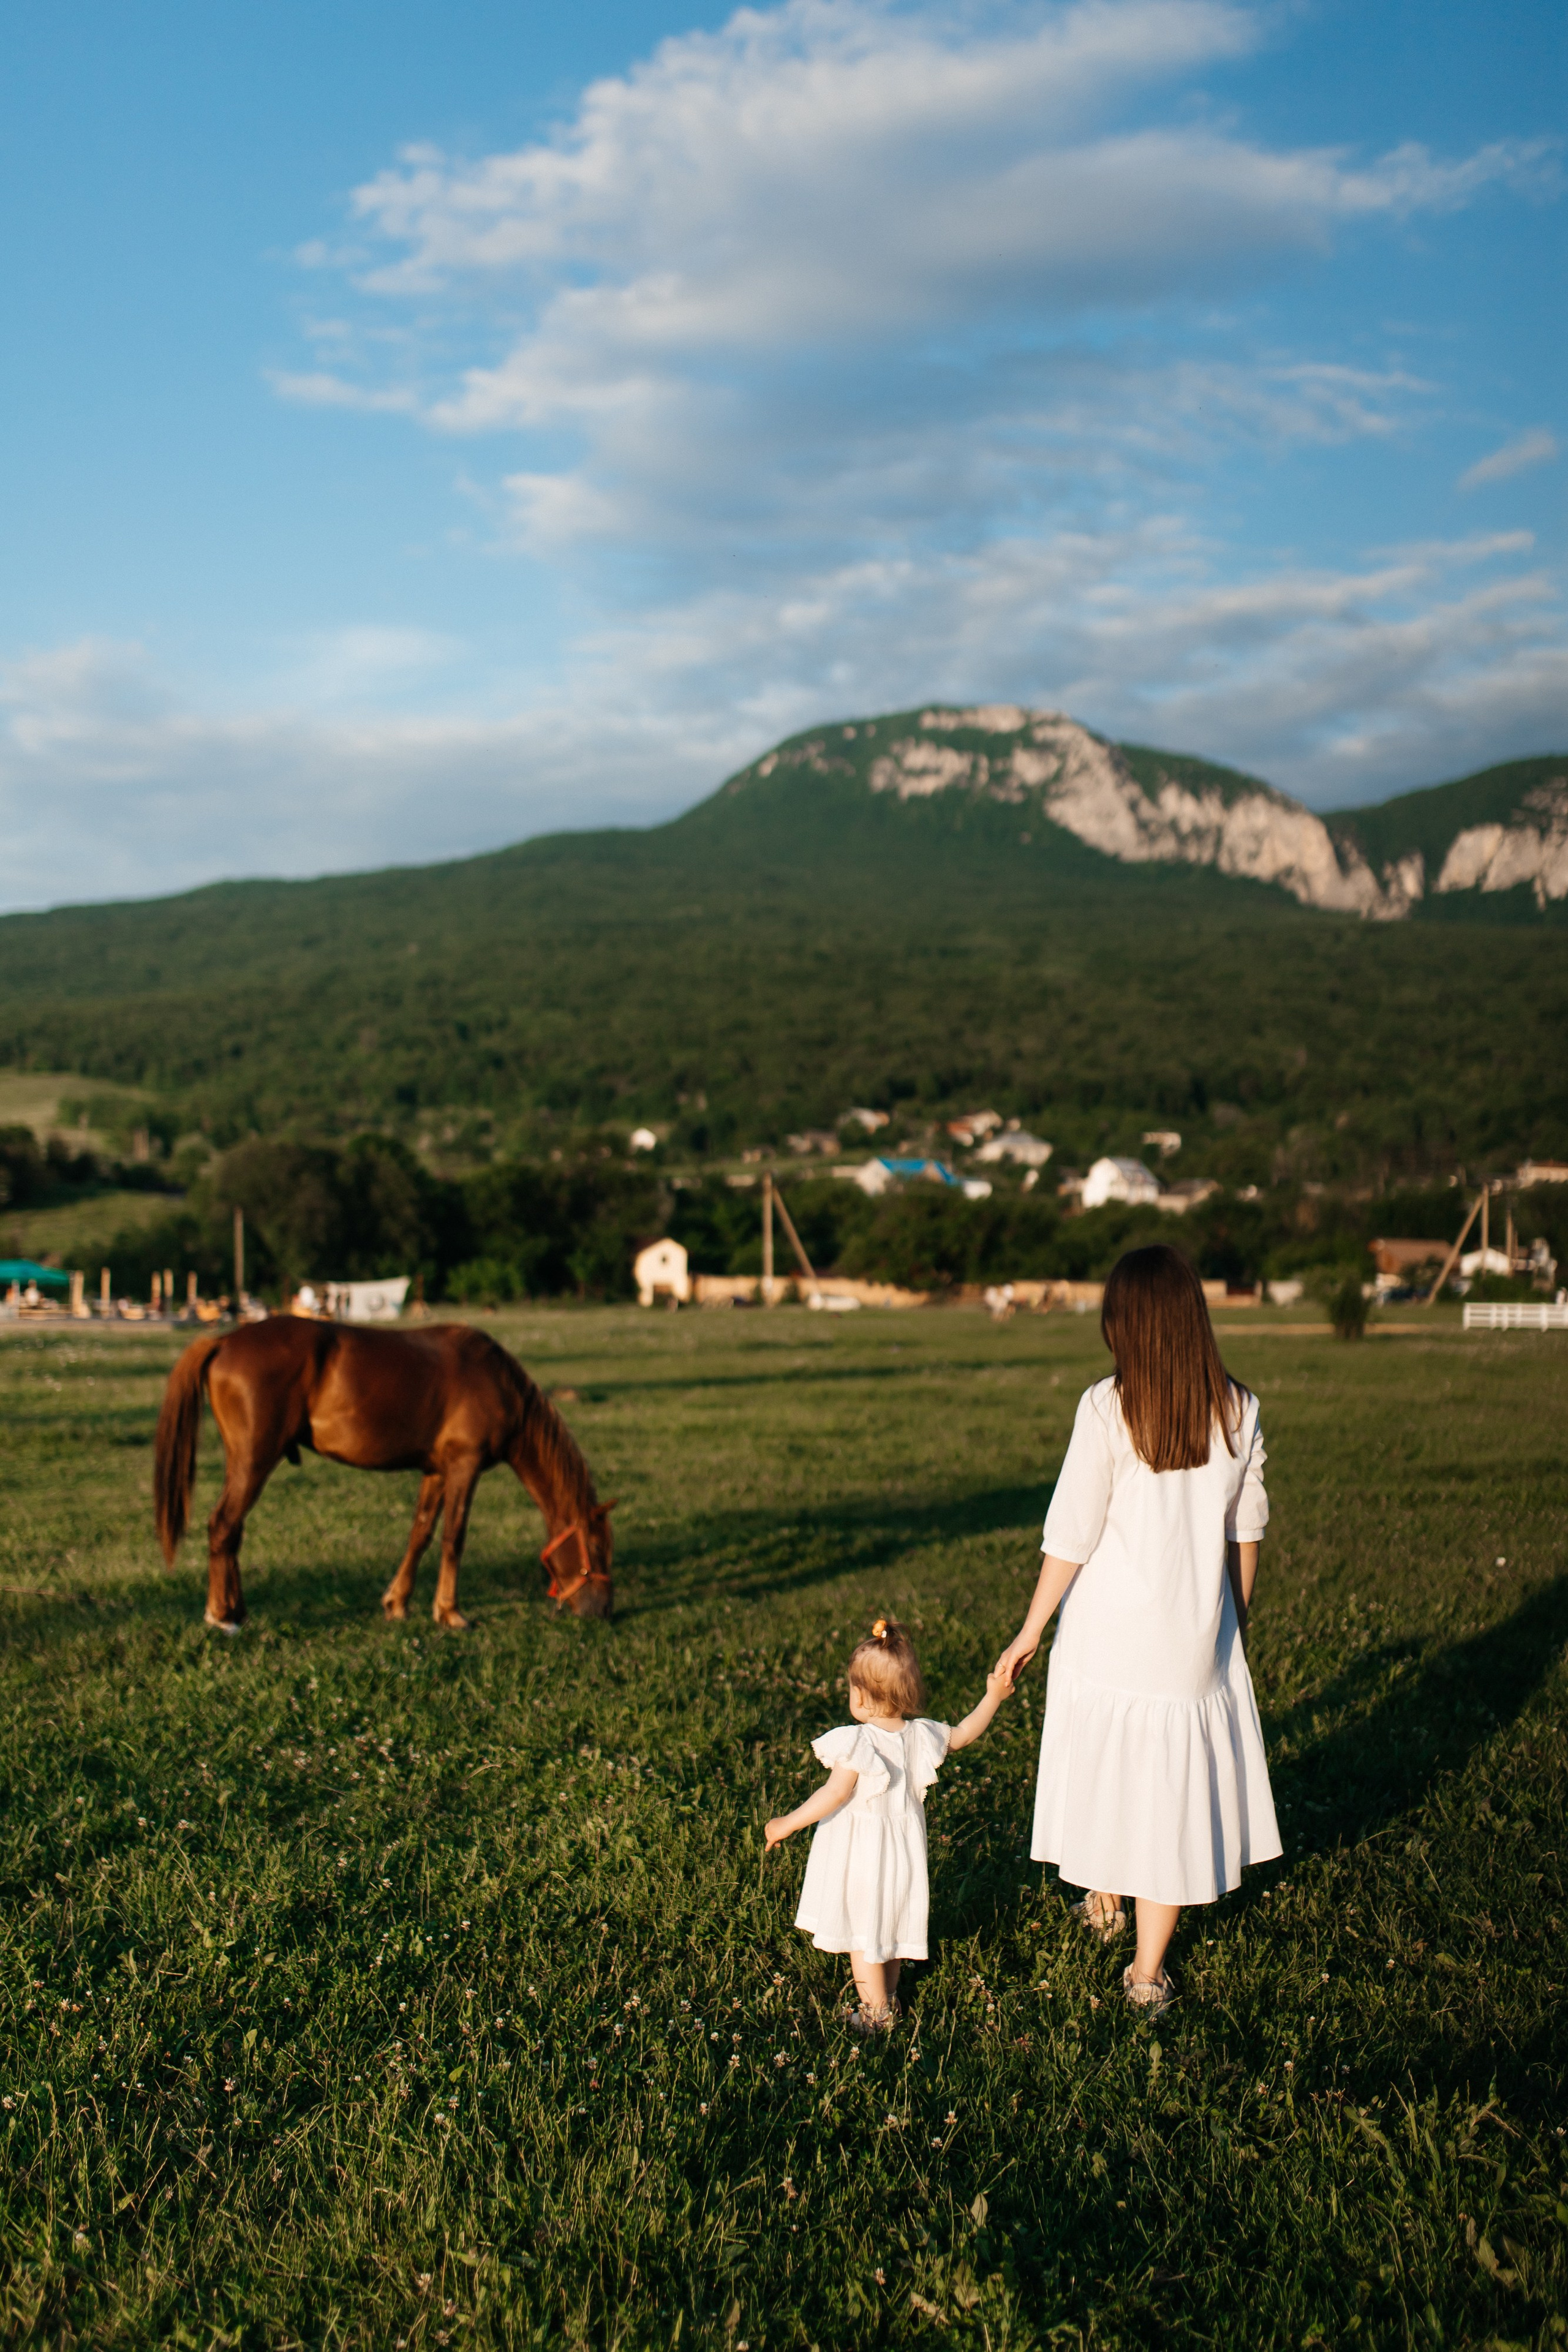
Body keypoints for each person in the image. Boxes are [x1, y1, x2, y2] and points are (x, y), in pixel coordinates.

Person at [994, 1245, 1281, 2016]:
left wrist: (1028, 1631)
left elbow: (1071, 1534)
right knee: (1169, 1796)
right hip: (1192, 1642)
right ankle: (1146, 1976)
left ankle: (1103, 1889)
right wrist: (1234, 1624)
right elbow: (1243, 1534)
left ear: (1127, 1324)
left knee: (1109, 1764)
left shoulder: (1105, 1406)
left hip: (1106, 1632)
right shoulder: (1239, 1408)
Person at [766, 1618, 1013, 2034]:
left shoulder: (857, 1742)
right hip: (904, 1852)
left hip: (863, 1856)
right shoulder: (921, 1735)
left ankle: (876, 2015)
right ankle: (891, 1999)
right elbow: (967, 1733)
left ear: (861, 1696)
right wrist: (993, 1697)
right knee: (891, 1925)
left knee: (865, 1935)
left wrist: (786, 1824)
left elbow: (834, 1794)